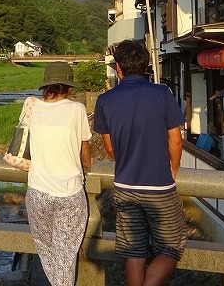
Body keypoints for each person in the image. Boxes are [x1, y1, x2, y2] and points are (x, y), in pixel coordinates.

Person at [93, 39, 186, 286]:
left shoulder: (105, 100)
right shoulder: (161, 93)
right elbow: (176, 141)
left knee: (134, 252)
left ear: (118, 68)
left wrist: (126, 160)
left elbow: (111, 148)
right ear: (145, 66)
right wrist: (173, 169)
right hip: (160, 187)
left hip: (125, 185)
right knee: (170, 247)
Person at [23, 63, 93, 286]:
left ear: (46, 86)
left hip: (38, 193)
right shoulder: (77, 110)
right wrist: (88, 163)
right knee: (65, 255)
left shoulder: (32, 107)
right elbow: (85, 149)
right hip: (70, 193)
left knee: (46, 249)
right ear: (69, 88)